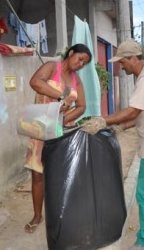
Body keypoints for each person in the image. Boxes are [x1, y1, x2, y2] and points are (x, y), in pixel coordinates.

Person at [82, 39, 144, 250]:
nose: (121, 66)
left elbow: (134, 110)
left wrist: (103, 120)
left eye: (122, 62)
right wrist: (122, 127)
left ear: (133, 58)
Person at [24, 43, 92, 233]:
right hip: (40, 129)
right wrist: (62, 95)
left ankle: (62, 214)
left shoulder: (76, 80)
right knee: (38, 175)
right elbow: (36, 82)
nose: (80, 64)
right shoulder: (52, 67)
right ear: (71, 53)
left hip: (62, 131)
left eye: (84, 63)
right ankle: (37, 216)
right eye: (79, 59)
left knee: (62, 175)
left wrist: (61, 121)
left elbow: (81, 106)